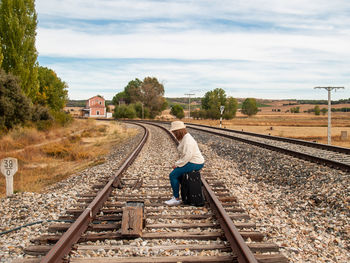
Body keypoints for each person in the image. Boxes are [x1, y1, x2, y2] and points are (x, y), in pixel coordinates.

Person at [165, 121, 205, 206]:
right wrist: (178, 164)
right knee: (178, 175)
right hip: (192, 161)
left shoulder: (187, 140)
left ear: (178, 131)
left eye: (174, 132)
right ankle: (185, 195)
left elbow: (188, 155)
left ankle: (176, 199)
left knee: (173, 175)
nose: (174, 134)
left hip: (195, 162)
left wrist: (177, 164)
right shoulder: (185, 138)